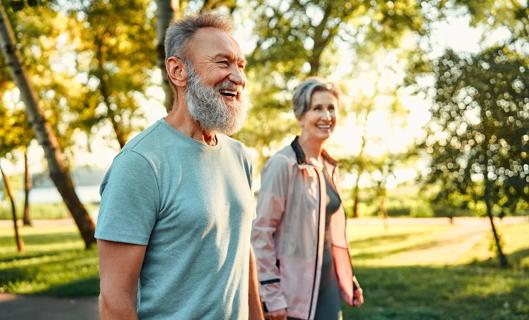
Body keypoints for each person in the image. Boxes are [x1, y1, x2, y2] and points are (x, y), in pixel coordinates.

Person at [96, 13, 264, 320]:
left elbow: (242, 255)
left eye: (240, 65)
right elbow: (113, 300)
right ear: (178, 70)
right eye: (223, 62)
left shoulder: (241, 156)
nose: (239, 78)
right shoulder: (140, 164)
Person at [251, 77, 364, 320]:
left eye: (331, 108)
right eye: (317, 108)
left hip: (327, 288)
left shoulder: (329, 166)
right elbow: (261, 233)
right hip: (293, 294)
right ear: (301, 116)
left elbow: (330, 234)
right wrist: (272, 294)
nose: (326, 116)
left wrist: (346, 277)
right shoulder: (283, 165)